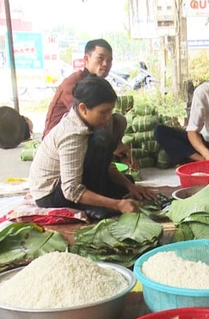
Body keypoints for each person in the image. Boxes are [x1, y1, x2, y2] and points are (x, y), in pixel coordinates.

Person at [30, 77, 156, 219]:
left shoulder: (88, 123)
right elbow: (71, 190)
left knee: (127, 182)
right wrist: (117, 204)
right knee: (100, 138)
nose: (108, 117)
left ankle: (100, 199)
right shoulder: (72, 135)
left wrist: (130, 186)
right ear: (83, 109)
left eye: (110, 111)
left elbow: (105, 167)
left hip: (78, 182)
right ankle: (94, 206)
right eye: (103, 112)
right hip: (51, 194)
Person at [42, 39, 133, 166]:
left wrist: (120, 148)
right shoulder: (73, 84)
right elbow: (81, 123)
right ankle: (100, 169)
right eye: (100, 58)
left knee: (118, 120)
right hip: (61, 142)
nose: (105, 64)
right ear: (86, 59)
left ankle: (106, 165)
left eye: (109, 60)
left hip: (83, 132)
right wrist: (114, 146)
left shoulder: (97, 84)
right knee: (102, 131)